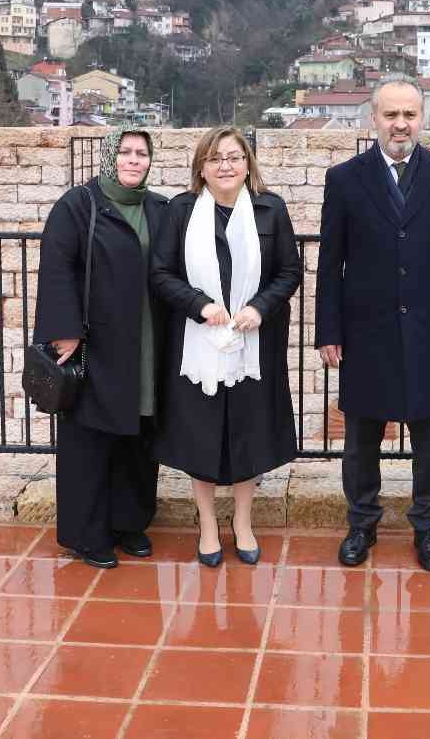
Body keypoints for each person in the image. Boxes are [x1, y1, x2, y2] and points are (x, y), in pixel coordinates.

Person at [316, 75, 430, 572]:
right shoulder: (344, 179)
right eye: (391, 114)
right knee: (362, 438)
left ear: (422, 118)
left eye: (410, 114)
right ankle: (361, 522)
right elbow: (330, 263)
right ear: (374, 119)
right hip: (366, 331)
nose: (400, 124)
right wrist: (329, 332)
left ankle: (428, 527)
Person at [150, 127, 303, 567]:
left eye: (234, 157)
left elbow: (289, 272)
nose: (226, 166)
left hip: (254, 343)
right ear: (202, 167)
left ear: (247, 164)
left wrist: (260, 307)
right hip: (197, 345)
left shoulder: (271, 210)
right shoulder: (180, 212)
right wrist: (199, 305)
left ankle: (242, 522)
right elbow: (161, 274)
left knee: (249, 435)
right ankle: (207, 525)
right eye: (216, 158)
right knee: (199, 436)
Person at [33, 128, 170, 569]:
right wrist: (65, 331)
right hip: (96, 342)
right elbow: (57, 268)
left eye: (142, 154)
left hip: (148, 341)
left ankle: (130, 524)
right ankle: (88, 534)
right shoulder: (80, 205)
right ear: (111, 156)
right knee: (91, 439)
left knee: (139, 434)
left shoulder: (159, 209)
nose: (134, 160)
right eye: (126, 152)